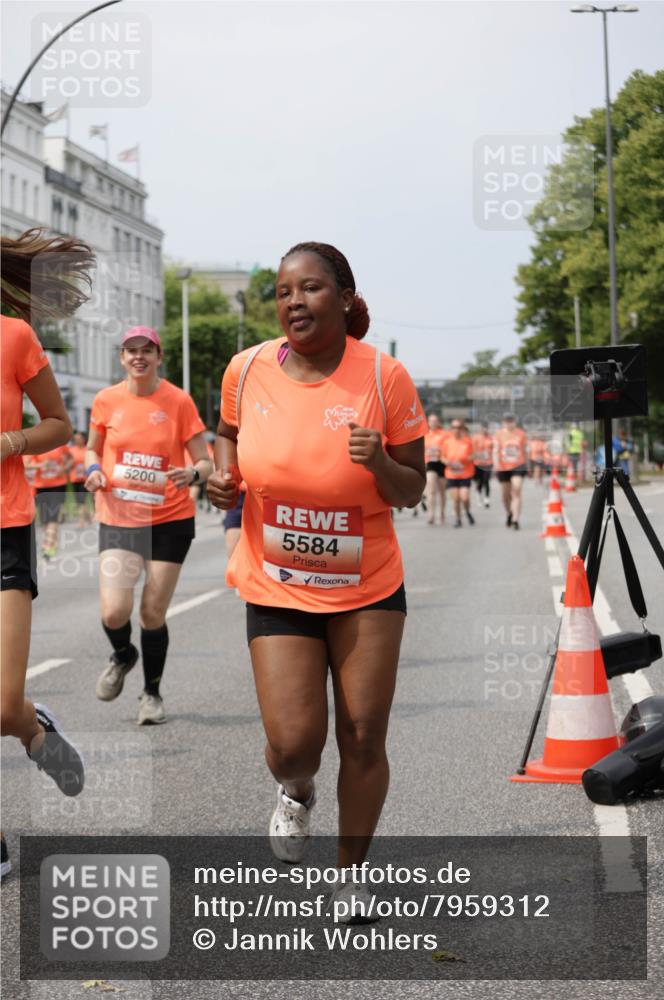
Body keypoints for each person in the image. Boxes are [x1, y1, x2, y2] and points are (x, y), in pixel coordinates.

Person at [207, 242, 426, 909]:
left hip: (366, 585)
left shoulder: (385, 378)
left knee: (362, 730)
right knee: (294, 745)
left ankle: (351, 875)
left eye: (308, 288)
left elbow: (411, 489)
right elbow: (227, 439)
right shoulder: (245, 371)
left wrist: (376, 464)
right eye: (282, 291)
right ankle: (295, 790)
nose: (293, 302)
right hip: (277, 582)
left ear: (344, 297)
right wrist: (224, 480)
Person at [1, 228, 91, 875]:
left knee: (1, 704)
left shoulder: (14, 337)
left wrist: (10, 444)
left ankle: (31, 726)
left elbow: (60, 425)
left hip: (6, 525)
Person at [85, 326, 212, 725]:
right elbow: (92, 447)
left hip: (169, 519)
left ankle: (151, 694)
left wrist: (192, 474)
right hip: (119, 517)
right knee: (113, 612)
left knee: (152, 613)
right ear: (121, 358)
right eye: (130, 351)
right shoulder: (106, 400)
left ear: (158, 357)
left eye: (147, 350)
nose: (138, 357)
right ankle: (123, 655)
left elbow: (205, 461)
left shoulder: (178, 401)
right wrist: (92, 471)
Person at [27, 443, 72, 560]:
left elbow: (71, 459)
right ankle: (52, 542)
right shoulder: (37, 446)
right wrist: (41, 465)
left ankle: (47, 545)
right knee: (45, 518)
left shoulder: (61, 445)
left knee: (53, 516)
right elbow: (26, 464)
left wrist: (64, 468)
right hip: (41, 486)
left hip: (58, 484)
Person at [493, 412, 528, 529]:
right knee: (505, 496)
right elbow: (495, 450)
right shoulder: (498, 434)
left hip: (518, 465)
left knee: (516, 490)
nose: (509, 423)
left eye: (511, 420)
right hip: (503, 467)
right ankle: (509, 513)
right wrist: (496, 465)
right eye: (506, 421)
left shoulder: (521, 434)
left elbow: (525, 450)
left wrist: (528, 465)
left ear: (514, 421)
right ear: (503, 422)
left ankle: (515, 519)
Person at [441, 420, 475, 527]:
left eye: (459, 427)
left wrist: (464, 460)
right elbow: (442, 457)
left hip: (465, 473)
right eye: (454, 427)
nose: (456, 429)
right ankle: (458, 519)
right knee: (456, 499)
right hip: (451, 474)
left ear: (462, 429)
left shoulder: (468, 442)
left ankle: (467, 511)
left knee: (464, 498)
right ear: (451, 429)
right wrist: (448, 462)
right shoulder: (447, 442)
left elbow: (474, 455)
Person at [423, 413, 446, 524]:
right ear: (428, 422)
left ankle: (441, 512)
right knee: (431, 489)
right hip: (430, 463)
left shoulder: (444, 434)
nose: (433, 423)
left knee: (441, 491)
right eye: (431, 421)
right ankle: (431, 513)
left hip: (441, 463)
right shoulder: (425, 434)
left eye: (435, 421)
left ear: (438, 422)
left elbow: (449, 447)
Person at [69, 430, 93, 528]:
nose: (77, 440)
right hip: (75, 479)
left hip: (87, 478)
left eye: (79, 438)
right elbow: (66, 462)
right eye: (76, 439)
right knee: (79, 501)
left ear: (84, 439)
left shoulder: (88, 449)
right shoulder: (71, 450)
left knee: (83, 500)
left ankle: (82, 521)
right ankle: (88, 518)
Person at [472, 421, 493, 507]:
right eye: (483, 428)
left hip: (488, 462)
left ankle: (487, 499)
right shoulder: (476, 437)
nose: (485, 430)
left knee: (486, 481)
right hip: (478, 463)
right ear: (481, 429)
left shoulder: (491, 438)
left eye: (486, 428)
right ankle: (479, 495)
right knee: (479, 481)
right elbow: (472, 450)